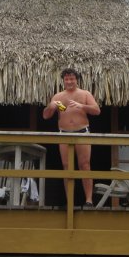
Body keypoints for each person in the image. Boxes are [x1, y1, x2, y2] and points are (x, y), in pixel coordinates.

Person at [43, 68, 100, 206]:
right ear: (63, 81)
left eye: (72, 79)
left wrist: (82, 106)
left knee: (84, 165)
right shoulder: (58, 96)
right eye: (67, 79)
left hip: (82, 132)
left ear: (76, 80)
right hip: (64, 133)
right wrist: (51, 106)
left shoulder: (84, 93)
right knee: (67, 166)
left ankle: (89, 200)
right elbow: (46, 116)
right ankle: (70, 201)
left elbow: (97, 110)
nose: (69, 82)